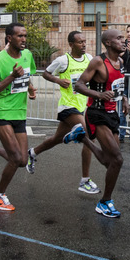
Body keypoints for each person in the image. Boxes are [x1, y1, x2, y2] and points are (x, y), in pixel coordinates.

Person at [24, 30, 99, 194]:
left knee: (56, 139)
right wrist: (58, 80)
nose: (84, 44)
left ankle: (33, 152)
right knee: (87, 134)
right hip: (67, 106)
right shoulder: (63, 60)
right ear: (71, 44)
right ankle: (85, 180)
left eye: (85, 41)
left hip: (81, 106)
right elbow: (45, 73)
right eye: (80, 42)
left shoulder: (89, 59)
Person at [0, 22, 37, 211]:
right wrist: (10, 77)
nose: (24, 39)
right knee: (15, 157)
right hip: (1, 112)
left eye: (25, 36)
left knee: (22, 161)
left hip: (19, 113)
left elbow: (26, 75)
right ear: (9, 38)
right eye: (20, 36)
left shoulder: (27, 55)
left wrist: (30, 88)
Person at [68, 28, 129, 218]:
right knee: (117, 159)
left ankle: (82, 138)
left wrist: (125, 99)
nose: (124, 41)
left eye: (123, 38)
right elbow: (78, 85)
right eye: (119, 38)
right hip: (97, 113)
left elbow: (118, 85)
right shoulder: (98, 61)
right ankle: (104, 202)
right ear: (108, 43)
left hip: (113, 114)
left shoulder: (121, 61)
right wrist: (99, 95)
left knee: (108, 161)